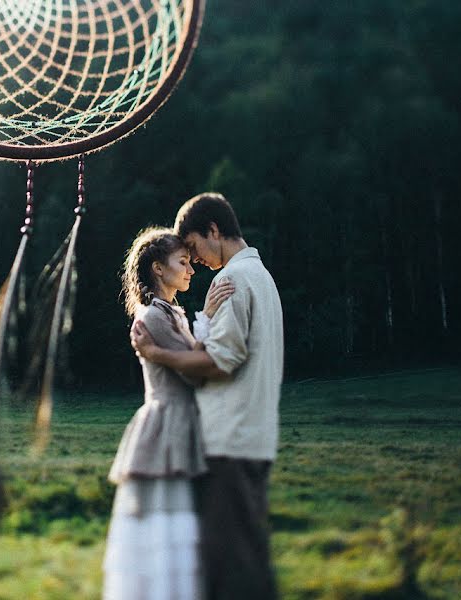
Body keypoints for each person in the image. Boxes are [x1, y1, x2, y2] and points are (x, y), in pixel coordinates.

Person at [131, 193, 284, 600]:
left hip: (228, 439)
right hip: (254, 435)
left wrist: (157, 354)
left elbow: (220, 362)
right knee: (247, 555)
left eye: (194, 247)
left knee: (229, 565)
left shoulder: (231, 280)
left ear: (213, 231)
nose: (195, 259)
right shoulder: (261, 276)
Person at [103, 227, 234, 600]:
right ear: (158, 269)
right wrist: (207, 315)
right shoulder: (155, 317)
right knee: (168, 532)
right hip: (168, 427)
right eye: (182, 263)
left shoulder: (169, 313)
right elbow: (194, 372)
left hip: (180, 422)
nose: (191, 270)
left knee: (182, 532)